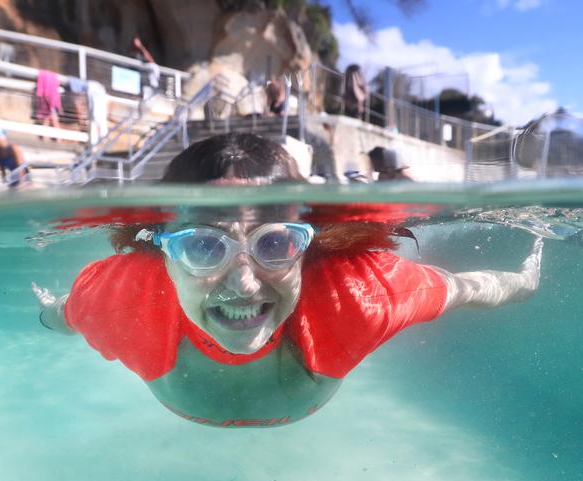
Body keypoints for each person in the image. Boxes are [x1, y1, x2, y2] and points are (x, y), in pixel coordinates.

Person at [33, 133, 543, 428]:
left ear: (308, 244)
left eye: (273, 243)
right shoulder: (124, 299)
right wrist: (46, 311)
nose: (246, 285)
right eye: (203, 246)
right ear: (161, 249)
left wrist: (525, 280)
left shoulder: (355, 298)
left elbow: (463, 289)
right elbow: (66, 314)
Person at [128, 35, 160, 115]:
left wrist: (141, 47)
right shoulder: (131, 52)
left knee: (154, 67)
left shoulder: (141, 51)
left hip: (144, 77)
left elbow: (151, 60)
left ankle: (142, 113)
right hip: (134, 75)